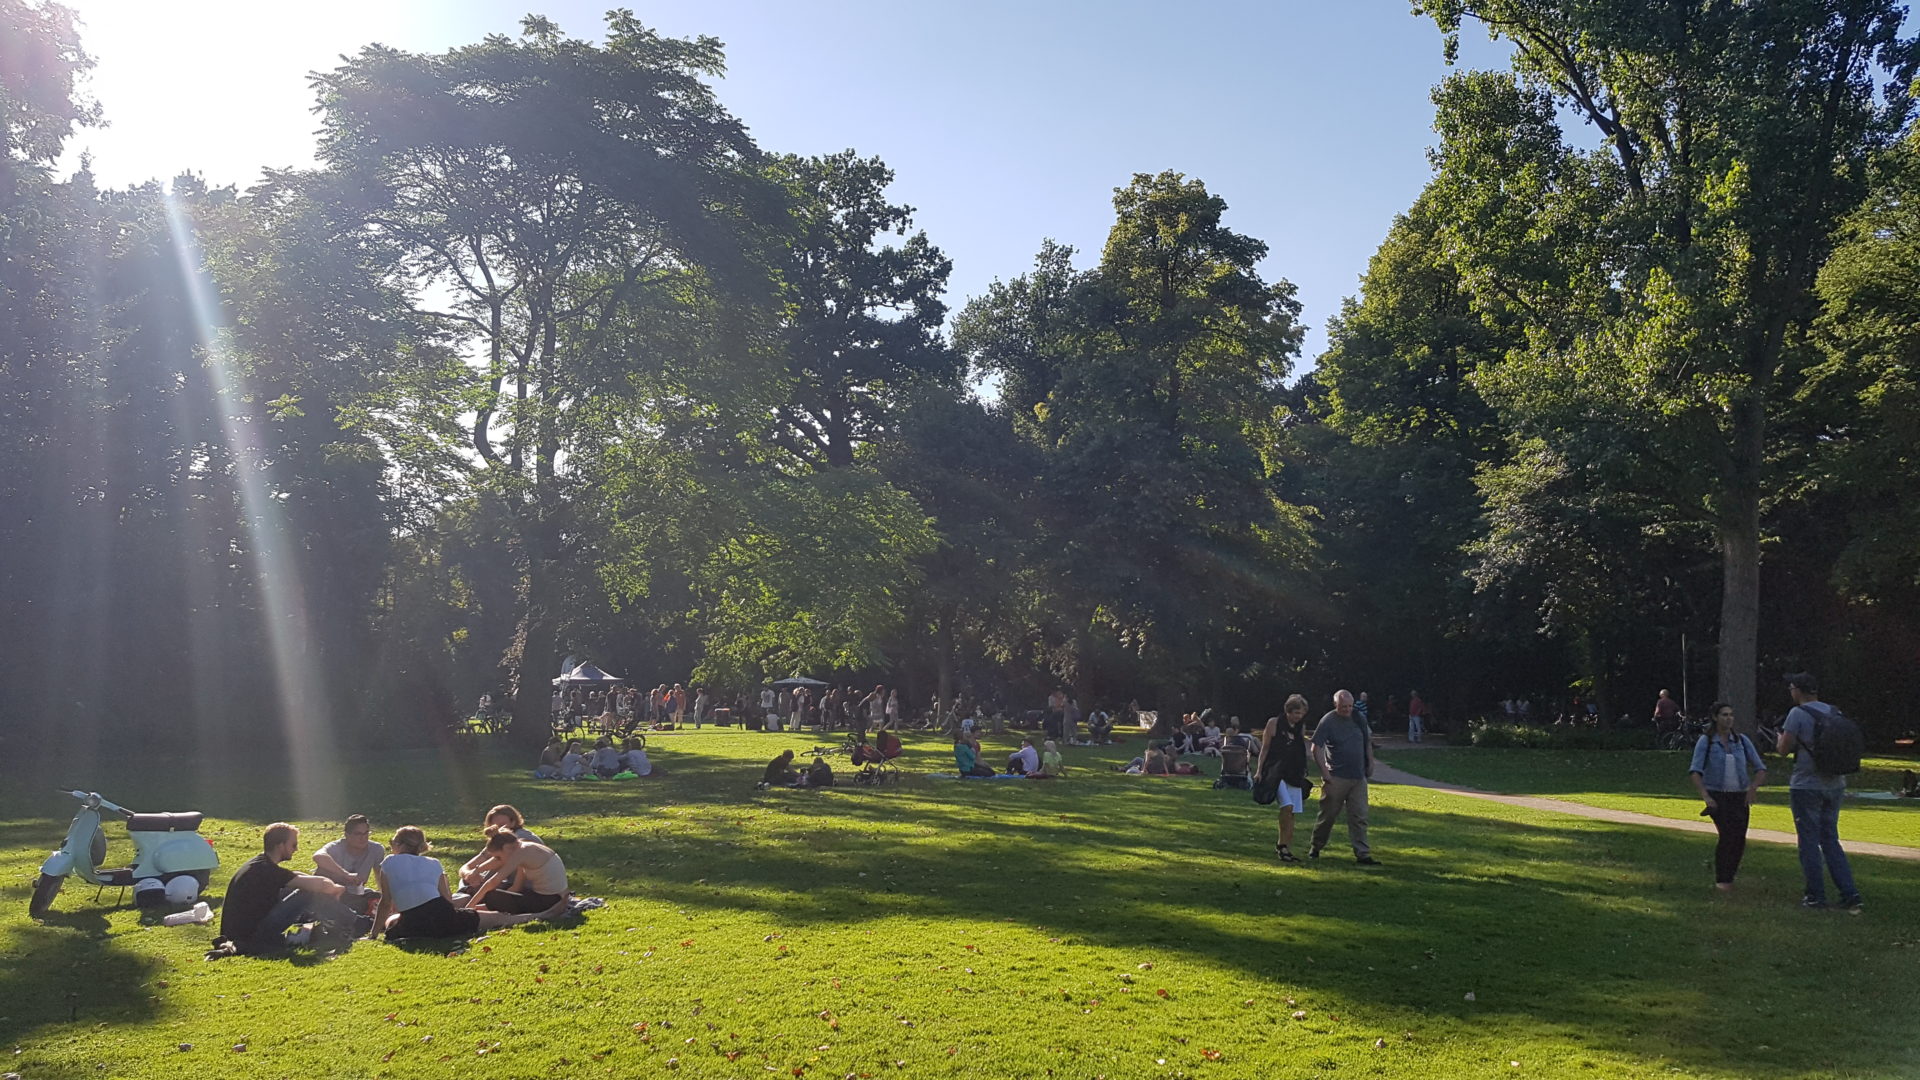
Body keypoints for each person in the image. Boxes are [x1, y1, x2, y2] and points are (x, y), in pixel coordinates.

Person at [1778, 673, 1862, 911]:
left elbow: (1784, 749)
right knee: (1830, 839)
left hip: (1806, 785)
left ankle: (1815, 895)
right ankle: (1849, 892)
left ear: (1798, 691)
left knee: (1808, 842)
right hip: (1835, 784)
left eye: (1791, 688)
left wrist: (1778, 740)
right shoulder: (1834, 712)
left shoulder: (1797, 714)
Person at [376, 827, 551, 939]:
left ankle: (540, 915)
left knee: (391, 920)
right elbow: (447, 901)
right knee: (499, 918)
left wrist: (373, 935)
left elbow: (385, 903)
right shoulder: (433, 863)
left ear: (398, 844)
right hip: (444, 918)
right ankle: (542, 915)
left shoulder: (389, 862)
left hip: (412, 925)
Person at [218, 823, 368, 953]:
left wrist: (327, 884)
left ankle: (342, 922)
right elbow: (319, 885)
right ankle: (356, 922)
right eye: (293, 845)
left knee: (298, 889)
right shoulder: (267, 870)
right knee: (309, 893)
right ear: (280, 845)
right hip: (254, 935)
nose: (296, 849)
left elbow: (295, 876)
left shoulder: (259, 864)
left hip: (240, 931)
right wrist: (336, 888)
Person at [1689, 702, 1768, 891]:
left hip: (1739, 796)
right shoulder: (1706, 742)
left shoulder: (1741, 741)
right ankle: (1722, 879)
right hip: (1718, 795)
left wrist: (1753, 788)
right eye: (1724, 715)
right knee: (1727, 835)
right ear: (1715, 717)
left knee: (1739, 837)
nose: (1729, 718)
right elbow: (1695, 771)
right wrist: (1705, 796)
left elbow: (1760, 768)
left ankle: (1730, 877)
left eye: (1731, 715)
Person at [1309, 690, 1380, 865]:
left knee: (1359, 816)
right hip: (1336, 777)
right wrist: (1325, 774)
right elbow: (1315, 748)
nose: (1347, 710)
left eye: (1349, 706)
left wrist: (1370, 762)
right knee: (1328, 816)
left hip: (1358, 777)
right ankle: (1316, 846)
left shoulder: (1359, 718)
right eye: (1343, 707)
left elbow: (1367, 741)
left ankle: (1363, 854)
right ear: (1336, 705)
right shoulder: (1328, 721)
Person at [462, 827, 570, 914]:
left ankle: (474, 909)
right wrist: (477, 870)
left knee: (491, 894)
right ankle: (485, 907)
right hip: (553, 897)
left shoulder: (521, 853)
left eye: (498, 856)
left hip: (551, 901)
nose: (498, 860)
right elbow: (516, 887)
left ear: (506, 848)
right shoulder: (522, 848)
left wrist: (469, 907)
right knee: (498, 890)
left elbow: (492, 882)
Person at [1258, 695, 1313, 863]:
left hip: (1293, 773)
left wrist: (1303, 770)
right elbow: (1265, 748)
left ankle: (1286, 848)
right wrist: (1259, 770)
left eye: (1301, 713)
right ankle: (1281, 845)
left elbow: (1299, 749)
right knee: (1286, 806)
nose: (1298, 716)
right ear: (1288, 710)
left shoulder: (1299, 727)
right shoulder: (1274, 723)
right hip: (1275, 770)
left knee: (1293, 811)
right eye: (1296, 712)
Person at [312, 814, 384, 910]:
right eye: (358, 834)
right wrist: (346, 875)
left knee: (374, 898)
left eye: (366, 833)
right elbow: (318, 856)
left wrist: (385, 898)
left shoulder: (376, 849)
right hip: (332, 894)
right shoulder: (336, 847)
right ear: (347, 835)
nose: (363, 838)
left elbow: (380, 877)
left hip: (357, 893)